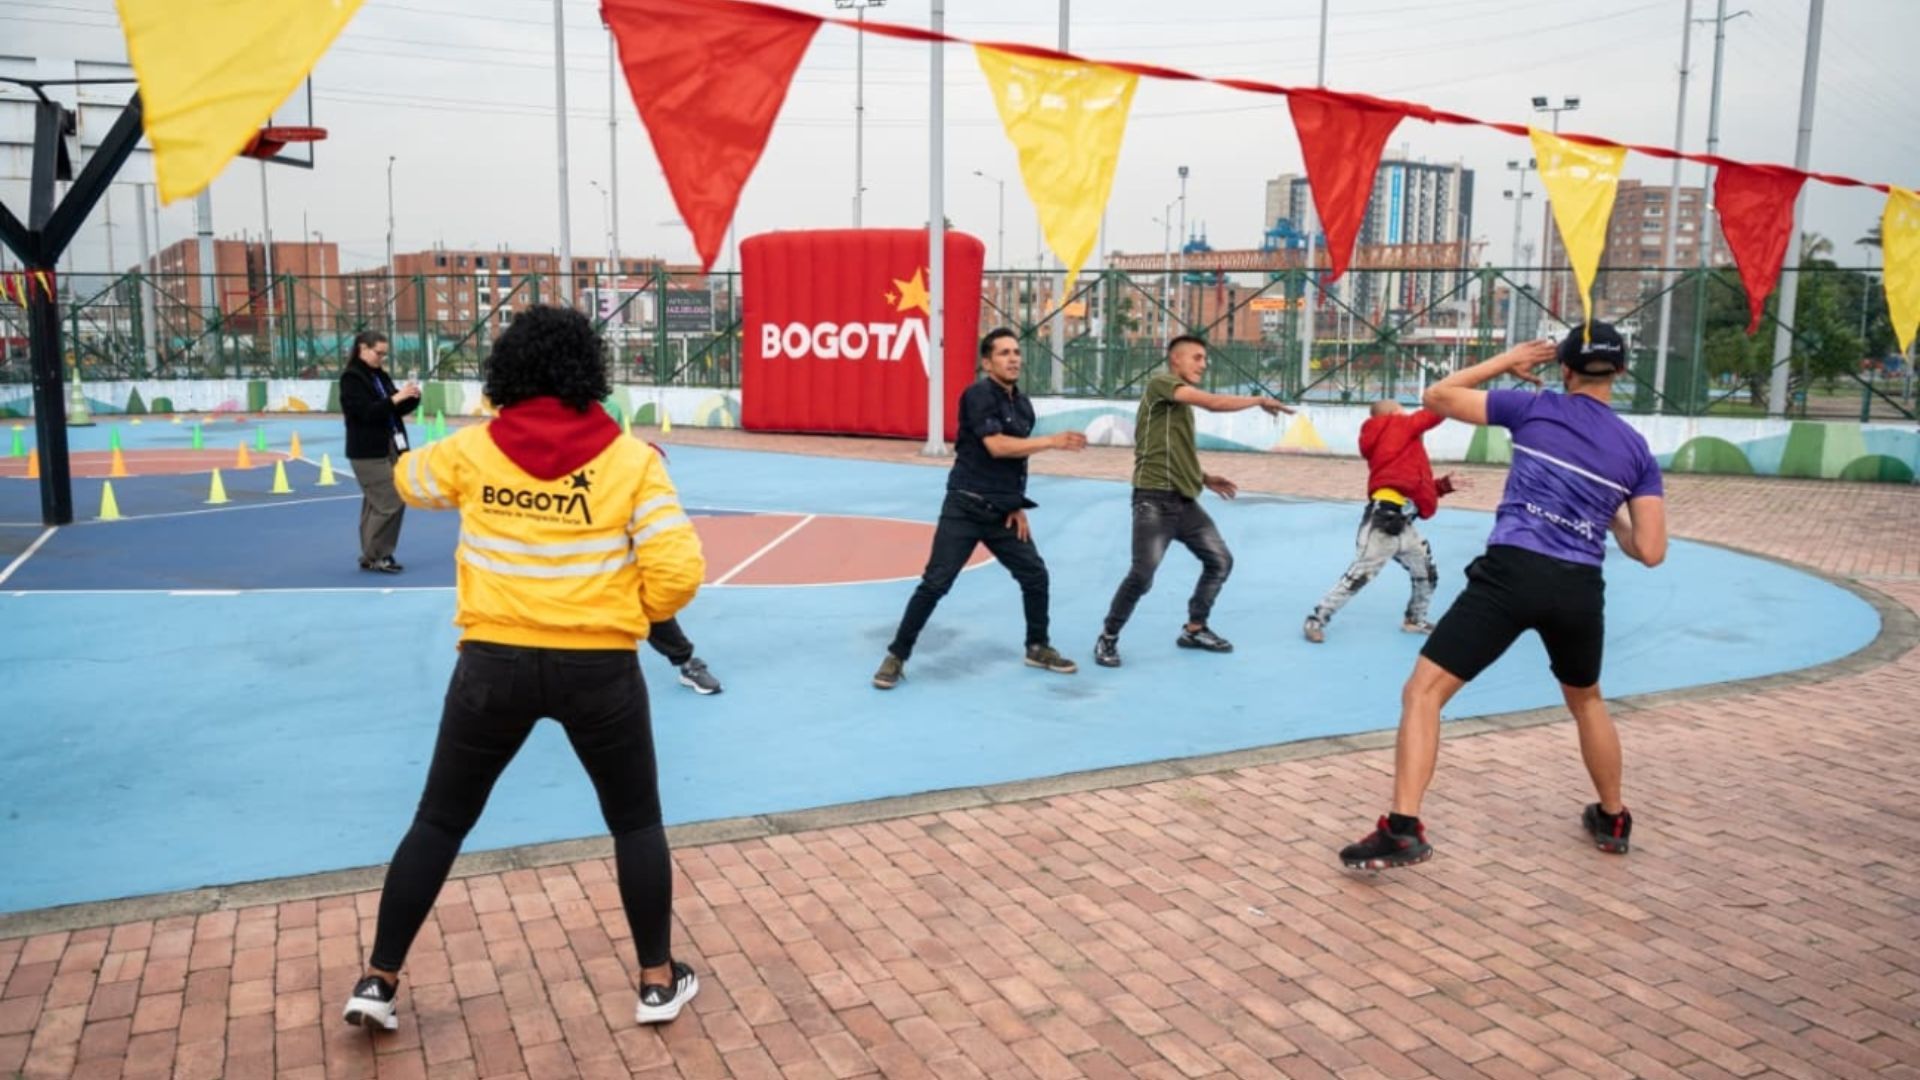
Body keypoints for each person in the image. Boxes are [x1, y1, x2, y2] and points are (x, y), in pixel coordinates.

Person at [343, 306, 705, 1032]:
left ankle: (378, 982)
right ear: (587, 371)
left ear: (507, 373)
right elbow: (678, 572)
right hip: (599, 668)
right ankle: (657, 983)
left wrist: (477, 420)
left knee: (440, 821)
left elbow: (407, 481)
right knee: (635, 822)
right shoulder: (632, 461)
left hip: (492, 667)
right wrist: (628, 610)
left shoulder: (474, 452)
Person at [1338, 323, 1667, 870]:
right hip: (1579, 588)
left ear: (1563, 369)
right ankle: (1612, 817)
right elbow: (1650, 550)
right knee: (1586, 699)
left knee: (1423, 694)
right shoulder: (1636, 450)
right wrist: (1610, 514)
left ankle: (1402, 829)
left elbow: (1436, 397)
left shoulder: (1534, 408)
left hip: (1512, 575)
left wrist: (1506, 359)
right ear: (1622, 373)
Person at [872, 328, 1086, 689]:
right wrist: (1053, 440)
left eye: (1017, 352)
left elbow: (1017, 463)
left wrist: (1017, 505)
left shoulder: (1023, 405)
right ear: (987, 363)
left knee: (1035, 575)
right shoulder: (977, 395)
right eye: (1004, 353)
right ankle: (897, 655)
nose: (1014, 358)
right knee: (935, 583)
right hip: (965, 507)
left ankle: (1037, 647)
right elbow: (997, 447)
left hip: (1002, 512)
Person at [1093, 335, 1290, 668]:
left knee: (1220, 561)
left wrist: (1203, 477)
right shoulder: (1162, 384)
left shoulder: (1178, 408)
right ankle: (1108, 637)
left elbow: (1171, 449)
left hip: (1183, 502)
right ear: (1176, 360)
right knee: (1142, 576)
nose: (1203, 364)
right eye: (1197, 358)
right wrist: (1257, 399)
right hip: (1153, 500)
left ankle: (1194, 629)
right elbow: (1212, 403)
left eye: (1204, 358)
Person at [1303, 400, 1465, 643]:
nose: (1409, 415)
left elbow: (1410, 486)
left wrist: (1442, 486)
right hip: (1384, 519)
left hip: (1404, 522)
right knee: (1360, 574)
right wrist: (1450, 395)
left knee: (1426, 572)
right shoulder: (1395, 426)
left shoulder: (1398, 443)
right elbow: (1435, 413)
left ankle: (1415, 619)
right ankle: (1316, 620)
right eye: (1403, 410)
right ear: (1393, 414)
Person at [341, 330, 421, 572]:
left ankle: (373, 555)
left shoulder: (380, 376)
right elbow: (366, 412)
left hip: (389, 446)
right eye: (378, 353)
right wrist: (396, 399)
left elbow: (392, 410)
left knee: (376, 503)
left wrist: (412, 397)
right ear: (362, 349)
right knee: (391, 500)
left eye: (384, 354)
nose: (381, 358)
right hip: (367, 451)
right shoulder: (351, 379)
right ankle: (377, 554)